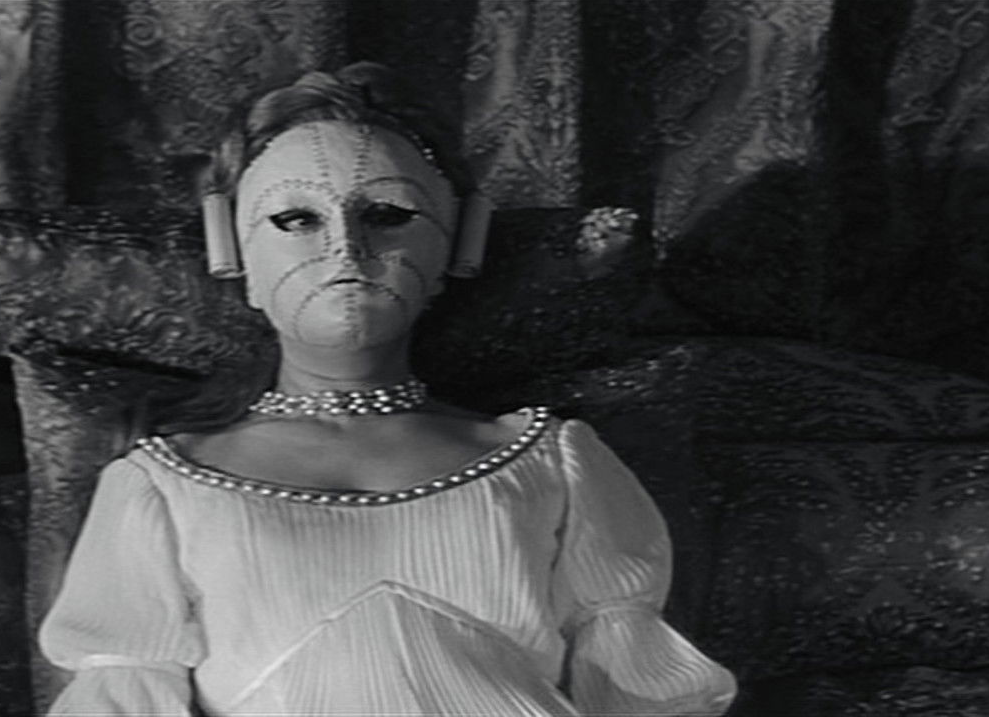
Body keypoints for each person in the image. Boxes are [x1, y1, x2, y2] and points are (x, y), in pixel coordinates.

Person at [38, 62, 737, 716]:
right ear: (232, 248)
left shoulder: (555, 462)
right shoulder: (162, 485)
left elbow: (636, 687)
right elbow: (120, 692)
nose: (345, 247)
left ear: (458, 243)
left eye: (388, 214)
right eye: (296, 219)